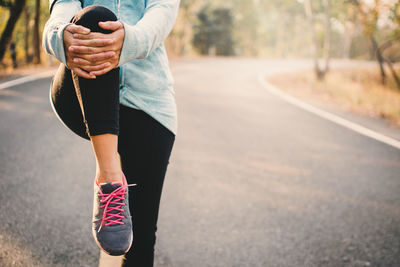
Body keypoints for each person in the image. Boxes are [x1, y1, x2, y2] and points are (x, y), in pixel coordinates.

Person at [42, 0, 179, 266]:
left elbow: (162, 12)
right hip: (81, 92)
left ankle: (112, 177)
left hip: (147, 100)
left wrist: (129, 40)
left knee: (140, 237)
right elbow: (62, 4)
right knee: (97, 19)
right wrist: (59, 35)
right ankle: (109, 176)